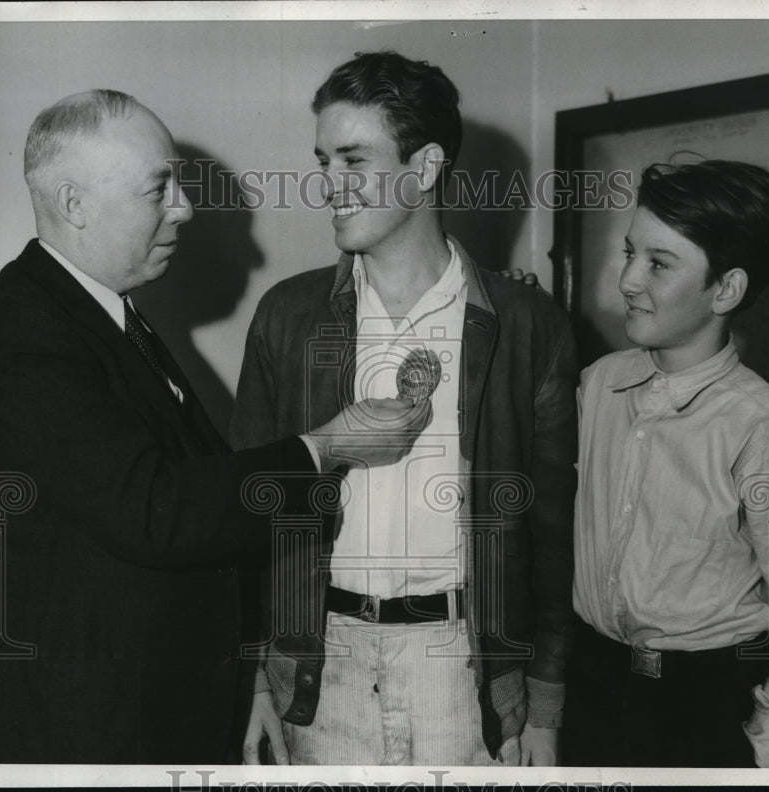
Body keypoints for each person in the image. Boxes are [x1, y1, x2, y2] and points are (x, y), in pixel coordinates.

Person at [0, 89, 429, 764]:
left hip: (141, 710)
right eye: (158, 188)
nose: (185, 208)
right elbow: (158, 510)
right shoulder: (20, 330)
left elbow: (199, 499)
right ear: (74, 204)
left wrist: (243, 683)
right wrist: (327, 446)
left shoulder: (100, 315)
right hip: (83, 733)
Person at [233, 52, 577, 766]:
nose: (327, 184)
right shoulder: (286, 317)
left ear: (423, 168)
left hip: (465, 675)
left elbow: (552, 529)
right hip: (316, 673)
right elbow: (245, 512)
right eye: (323, 159)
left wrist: (543, 704)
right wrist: (252, 683)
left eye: (352, 160)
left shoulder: (524, 321)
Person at [562, 160, 769, 768]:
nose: (626, 279)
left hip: (697, 710)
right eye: (629, 252)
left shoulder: (765, 431)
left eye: (659, 263)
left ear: (725, 289)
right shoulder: (599, 385)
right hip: (590, 691)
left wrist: (758, 752)